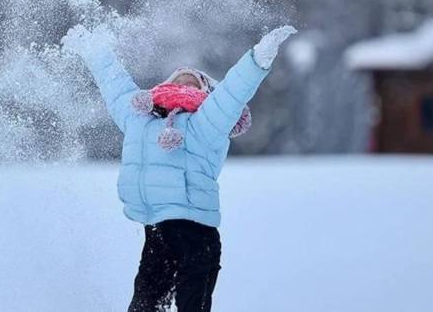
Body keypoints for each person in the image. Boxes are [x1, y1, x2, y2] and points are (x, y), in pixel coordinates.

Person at [61, 23, 296, 312]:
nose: (184, 86)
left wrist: (258, 58)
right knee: (144, 306)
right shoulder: (140, 120)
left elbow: (233, 92)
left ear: (207, 93)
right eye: (178, 81)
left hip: (197, 235)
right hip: (157, 232)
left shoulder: (207, 122)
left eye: (193, 83)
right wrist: (93, 50)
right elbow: (115, 85)